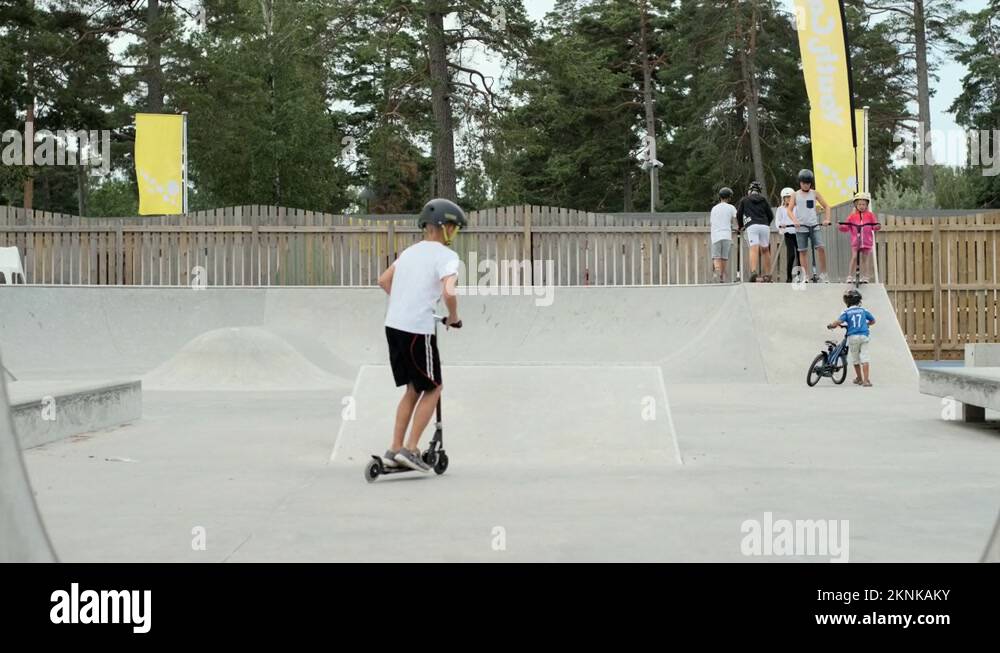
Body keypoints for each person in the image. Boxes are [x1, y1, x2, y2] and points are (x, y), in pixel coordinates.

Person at [377, 198, 466, 472]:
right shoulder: (447, 256)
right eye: (454, 227)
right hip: (417, 330)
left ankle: (394, 449)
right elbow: (449, 291)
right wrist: (453, 317)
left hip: (394, 326)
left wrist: (406, 302)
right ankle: (411, 449)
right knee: (434, 388)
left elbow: (383, 280)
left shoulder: (410, 252)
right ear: (445, 226)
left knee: (413, 389)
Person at [828, 288, 876, 387]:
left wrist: (832, 325)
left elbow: (839, 322)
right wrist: (866, 324)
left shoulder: (846, 311)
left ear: (847, 301)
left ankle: (859, 378)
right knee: (865, 358)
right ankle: (866, 381)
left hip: (853, 337)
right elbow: (873, 321)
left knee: (856, 359)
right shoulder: (863, 310)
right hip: (864, 336)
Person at [790, 169, 832, 282]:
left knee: (821, 248)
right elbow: (789, 210)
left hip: (814, 226)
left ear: (810, 183)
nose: (806, 185)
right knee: (802, 251)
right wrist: (795, 220)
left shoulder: (814, 193)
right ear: (800, 182)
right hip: (801, 227)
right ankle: (805, 276)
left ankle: (824, 274)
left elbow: (827, 206)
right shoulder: (795, 195)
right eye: (804, 183)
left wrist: (827, 219)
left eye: (808, 183)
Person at [736, 181, 775, 282]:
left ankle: (754, 272)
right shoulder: (764, 200)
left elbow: (739, 214)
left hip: (752, 225)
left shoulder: (745, 200)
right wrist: (766, 223)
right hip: (764, 225)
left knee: (754, 248)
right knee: (766, 250)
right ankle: (768, 274)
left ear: (750, 191)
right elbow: (771, 215)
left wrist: (741, 226)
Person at [840, 192, 881, 283]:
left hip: (866, 241)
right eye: (859, 204)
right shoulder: (852, 216)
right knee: (854, 257)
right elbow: (846, 227)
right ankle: (850, 276)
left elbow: (874, 226)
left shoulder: (870, 215)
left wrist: (877, 226)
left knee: (865, 259)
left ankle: (865, 277)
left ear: (866, 205)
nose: (861, 206)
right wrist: (841, 226)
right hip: (856, 242)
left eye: (863, 204)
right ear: (855, 205)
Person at [710, 187, 738, 282]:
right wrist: (735, 227)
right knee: (724, 257)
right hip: (726, 235)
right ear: (729, 197)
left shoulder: (714, 208)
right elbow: (736, 219)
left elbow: (712, 222)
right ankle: (721, 276)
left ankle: (717, 273)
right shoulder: (731, 208)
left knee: (716, 256)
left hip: (716, 235)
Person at [775, 187, 798, 283]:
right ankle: (789, 277)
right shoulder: (780, 209)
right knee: (791, 255)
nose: (788, 199)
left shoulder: (797, 208)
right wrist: (781, 225)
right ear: (783, 198)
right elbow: (777, 221)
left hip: (798, 233)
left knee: (800, 254)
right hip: (788, 233)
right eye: (786, 197)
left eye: (790, 197)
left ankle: (800, 276)